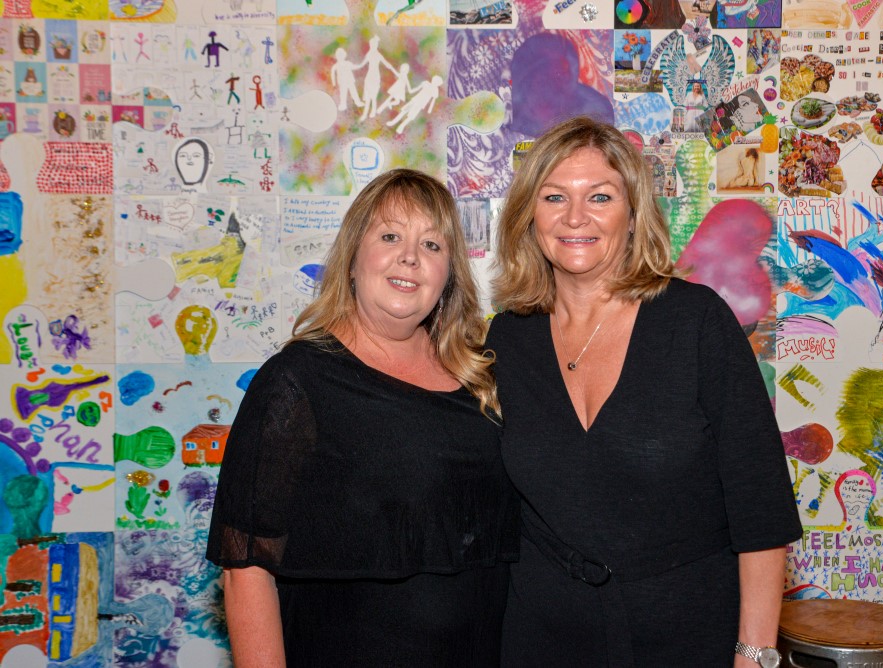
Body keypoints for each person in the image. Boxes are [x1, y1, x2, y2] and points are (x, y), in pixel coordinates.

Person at [488, 116, 801, 667]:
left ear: (633, 216)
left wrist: (755, 653)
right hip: (541, 637)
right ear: (529, 217)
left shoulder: (697, 323)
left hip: (688, 634)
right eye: (555, 196)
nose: (575, 217)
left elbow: (761, 509)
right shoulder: (507, 337)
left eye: (600, 197)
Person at [207, 169, 519, 666]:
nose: (410, 258)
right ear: (353, 258)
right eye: (390, 236)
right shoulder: (296, 382)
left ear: (449, 275)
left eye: (433, 245)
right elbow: (246, 571)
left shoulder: (480, 378)